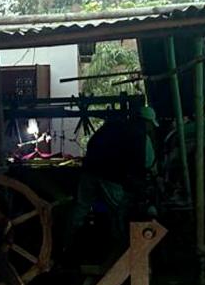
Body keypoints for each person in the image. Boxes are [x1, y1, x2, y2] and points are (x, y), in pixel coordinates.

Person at [64, 105, 158, 255]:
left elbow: (91, 144)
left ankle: (67, 244)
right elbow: (148, 165)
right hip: (110, 176)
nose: (151, 128)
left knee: (81, 207)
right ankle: (120, 249)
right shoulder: (140, 136)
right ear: (147, 122)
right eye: (151, 125)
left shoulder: (111, 127)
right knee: (120, 210)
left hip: (89, 171)